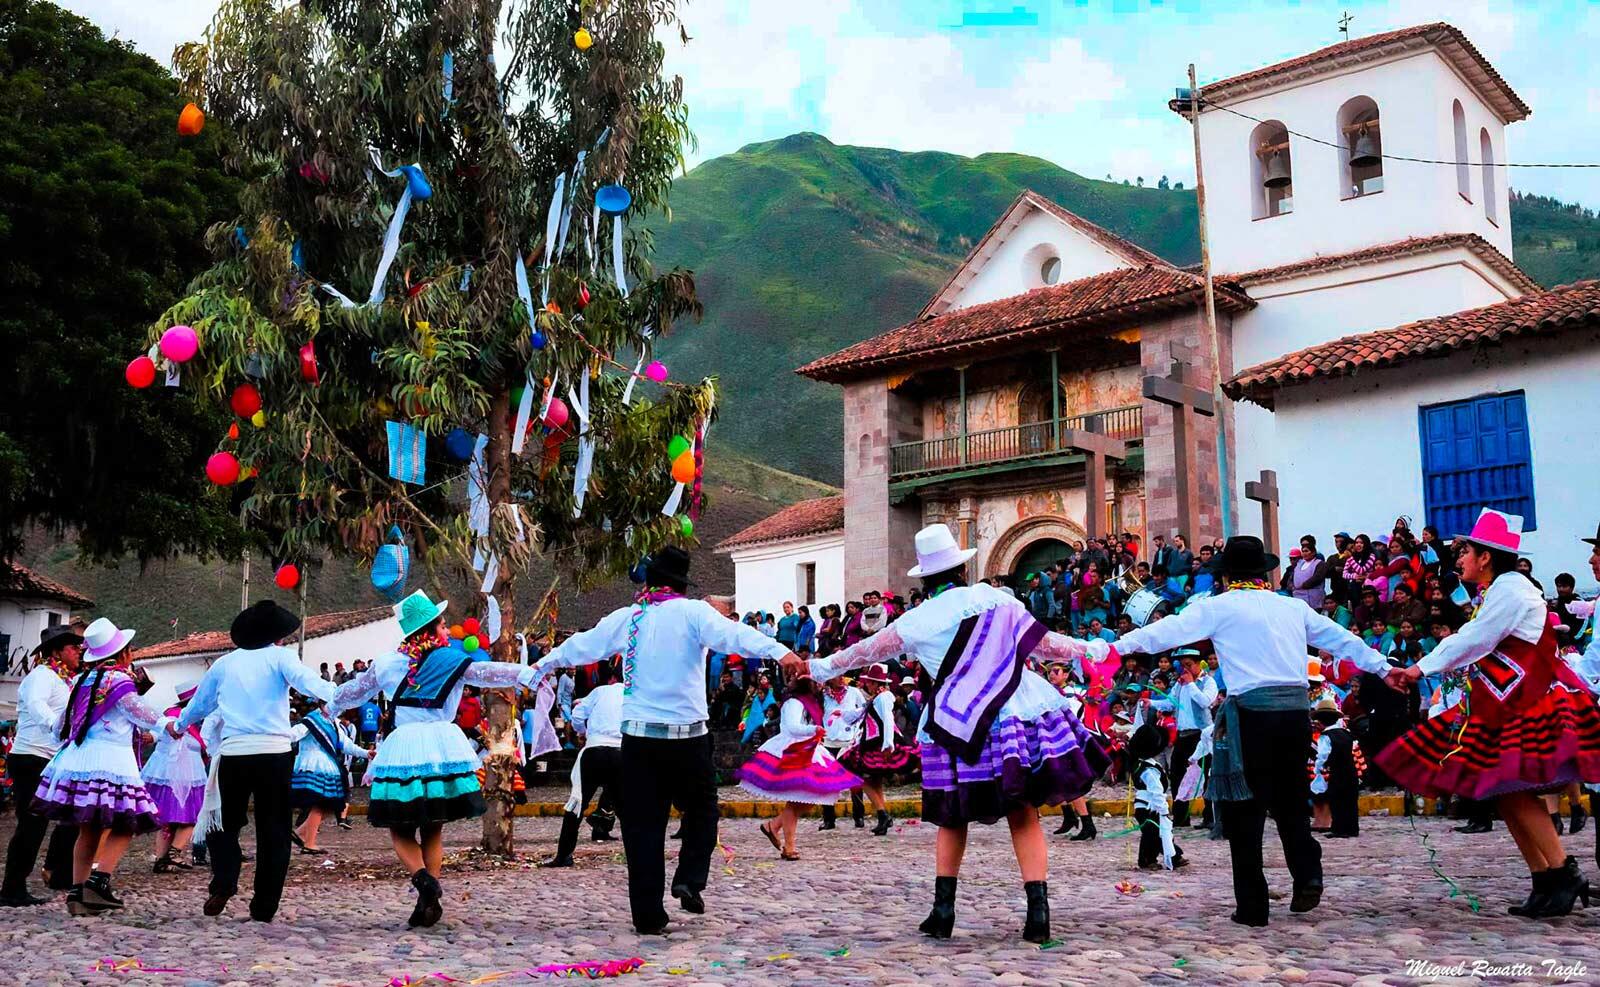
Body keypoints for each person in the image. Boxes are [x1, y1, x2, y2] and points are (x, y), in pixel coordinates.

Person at [787, 524, 1109, 944]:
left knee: (952, 817)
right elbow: (1047, 645)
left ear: (924, 578)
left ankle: (943, 912)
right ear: (960, 568)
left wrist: (813, 667)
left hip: (956, 723)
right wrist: (1098, 650)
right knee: (1023, 812)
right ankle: (1038, 914)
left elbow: (859, 654)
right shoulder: (998, 600)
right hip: (1012, 714)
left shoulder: (916, 621)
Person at [1112, 535, 1396, 927]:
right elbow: (1342, 639)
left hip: (1250, 714)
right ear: (1263, 572)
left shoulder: (1220, 607)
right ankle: (1308, 874)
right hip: (1296, 713)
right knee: (1291, 799)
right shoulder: (1292, 608)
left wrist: (1114, 648)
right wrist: (1383, 667)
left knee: (1245, 808)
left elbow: (1167, 632)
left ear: (1227, 575)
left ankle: (1253, 905)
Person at [527, 547, 796, 934]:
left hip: (638, 743)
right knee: (702, 811)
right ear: (681, 584)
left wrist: (542, 664)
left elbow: (582, 644)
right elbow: (736, 636)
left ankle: (648, 915)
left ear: (650, 581)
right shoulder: (695, 613)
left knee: (643, 827)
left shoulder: (628, 618)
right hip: (688, 739)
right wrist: (781, 652)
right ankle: (688, 879)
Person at [1378, 510, 1600, 918]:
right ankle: (1546, 877)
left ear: (1486, 557)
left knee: (1513, 788)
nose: (1459, 557)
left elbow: (1475, 639)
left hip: (1527, 701)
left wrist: (1418, 668)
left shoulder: (1512, 590)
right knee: (1504, 792)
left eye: (1466, 550)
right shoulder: (1502, 589)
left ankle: (1562, 872)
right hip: (1506, 699)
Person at [326, 590, 539, 927]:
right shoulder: (453, 661)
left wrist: (331, 706)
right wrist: (527, 673)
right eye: (442, 624)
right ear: (432, 629)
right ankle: (429, 892)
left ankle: (424, 884)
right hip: (442, 750)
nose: (446, 630)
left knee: (399, 829)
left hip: (403, 751)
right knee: (433, 830)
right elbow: (488, 674)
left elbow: (353, 692)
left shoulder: (386, 664)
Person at [172, 601, 339, 922]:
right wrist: (341, 693)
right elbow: (310, 684)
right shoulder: (281, 657)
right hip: (275, 754)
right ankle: (264, 906)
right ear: (275, 636)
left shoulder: (223, 664)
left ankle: (224, 880)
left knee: (223, 825)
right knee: (274, 829)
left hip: (235, 754)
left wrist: (179, 726)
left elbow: (199, 705)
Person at [33, 618, 167, 915]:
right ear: (123, 653)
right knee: (127, 823)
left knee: (88, 829)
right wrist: (169, 723)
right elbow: (138, 712)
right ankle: (99, 880)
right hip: (112, 761)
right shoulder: (119, 680)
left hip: (79, 759)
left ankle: (78, 893)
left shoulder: (84, 679)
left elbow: (62, 724)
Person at [0, 625, 85, 906]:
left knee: (70, 815)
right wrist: (56, 726)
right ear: (57, 652)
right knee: (32, 823)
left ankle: (60, 873)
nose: (78, 652)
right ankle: (12, 888)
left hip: (53, 758)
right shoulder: (41, 677)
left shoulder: (65, 681)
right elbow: (38, 706)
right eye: (72, 647)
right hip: (31, 757)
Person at [738, 675, 862, 860]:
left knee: (811, 797)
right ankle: (789, 847)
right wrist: (813, 730)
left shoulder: (810, 702)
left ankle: (774, 825)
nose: (820, 686)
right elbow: (792, 727)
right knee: (796, 799)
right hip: (793, 750)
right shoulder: (794, 703)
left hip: (808, 748)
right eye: (815, 683)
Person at [545, 662, 624, 868]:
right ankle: (640, 856)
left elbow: (578, 715)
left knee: (577, 803)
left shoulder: (600, 692)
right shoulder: (637, 695)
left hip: (595, 749)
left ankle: (564, 854)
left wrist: (583, 732)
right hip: (622, 752)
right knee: (629, 807)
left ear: (612, 678)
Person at [838, 663, 920, 836]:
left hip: (877, 742)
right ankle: (882, 815)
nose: (867, 684)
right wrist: (842, 714)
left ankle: (882, 814)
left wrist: (887, 744)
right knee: (874, 780)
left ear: (875, 683)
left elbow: (888, 720)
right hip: (872, 742)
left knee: (862, 778)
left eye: (870, 682)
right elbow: (860, 714)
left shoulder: (883, 698)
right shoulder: (877, 698)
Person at [289, 701, 371, 854]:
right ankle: (309, 844)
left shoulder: (334, 723)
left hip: (327, 766)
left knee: (330, 805)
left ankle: (300, 833)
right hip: (314, 765)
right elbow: (293, 734)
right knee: (321, 804)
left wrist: (366, 753)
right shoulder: (312, 721)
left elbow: (346, 745)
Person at [144, 678, 207, 873]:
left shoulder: (181, 718)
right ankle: (174, 853)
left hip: (168, 772)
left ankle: (162, 860)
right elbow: (164, 731)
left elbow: (157, 732)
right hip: (182, 773)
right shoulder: (178, 718)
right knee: (191, 816)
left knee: (169, 819)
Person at [1152, 649, 1217, 828]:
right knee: (1177, 774)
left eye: (1189, 665)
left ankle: (1209, 817)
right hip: (1183, 734)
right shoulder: (1180, 684)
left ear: (1198, 664)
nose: (1185, 669)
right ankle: (1181, 817)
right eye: (1183, 666)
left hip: (1201, 735)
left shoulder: (1207, 682)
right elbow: (1171, 703)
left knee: (1206, 774)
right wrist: (1152, 703)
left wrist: (1191, 684)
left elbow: (1205, 701)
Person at [1129, 722, 1185, 870]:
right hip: (1149, 807)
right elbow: (1156, 791)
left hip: (1147, 806)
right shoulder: (1149, 770)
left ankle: (1163, 857)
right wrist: (1163, 809)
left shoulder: (1144, 765)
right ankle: (1151, 859)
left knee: (1154, 833)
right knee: (1152, 834)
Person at [1310, 696, 1364, 838]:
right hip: (1351, 773)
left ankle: (1339, 828)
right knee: (1350, 802)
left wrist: (1318, 769)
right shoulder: (1346, 734)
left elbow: (1323, 756)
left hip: (1337, 773)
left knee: (1337, 802)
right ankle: (1352, 828)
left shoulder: (1325, 737)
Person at [818, 674, 867, 830]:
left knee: (855, 781)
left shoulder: (854, 692)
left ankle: (859, 816)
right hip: (828, 742)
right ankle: (828, 819)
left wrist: (858, 732)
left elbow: (865, 711)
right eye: (837, 675)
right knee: (827, 782)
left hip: (849, 742)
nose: (840, 678)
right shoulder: (822, 696)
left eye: (842, 675)